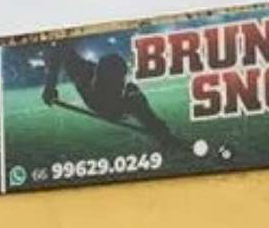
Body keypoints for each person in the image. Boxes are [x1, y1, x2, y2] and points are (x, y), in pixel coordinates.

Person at [42, 40, 179, 152]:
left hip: (113, 105)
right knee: (133, 95)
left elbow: (61, 50)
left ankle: (164, 137)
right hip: (103, 103)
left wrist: (163, 134)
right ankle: (164, 136)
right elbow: (60, 49)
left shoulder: (129, 97)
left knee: (134, 94)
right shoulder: (84, 72)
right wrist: (50, 85)